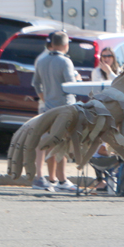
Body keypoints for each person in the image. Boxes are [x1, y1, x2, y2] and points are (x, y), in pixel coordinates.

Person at [30, 31, 79, 193]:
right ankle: (62, 179)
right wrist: (78, 79)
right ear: (66, 45)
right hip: (64, 107)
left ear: (52, 43)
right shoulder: (65, 62)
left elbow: (36, 84)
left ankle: (51, 177)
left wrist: (45, 98)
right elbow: (71, 86)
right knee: (62, 143)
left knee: (50, 143)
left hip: (48, 107)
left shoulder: (42, 61)